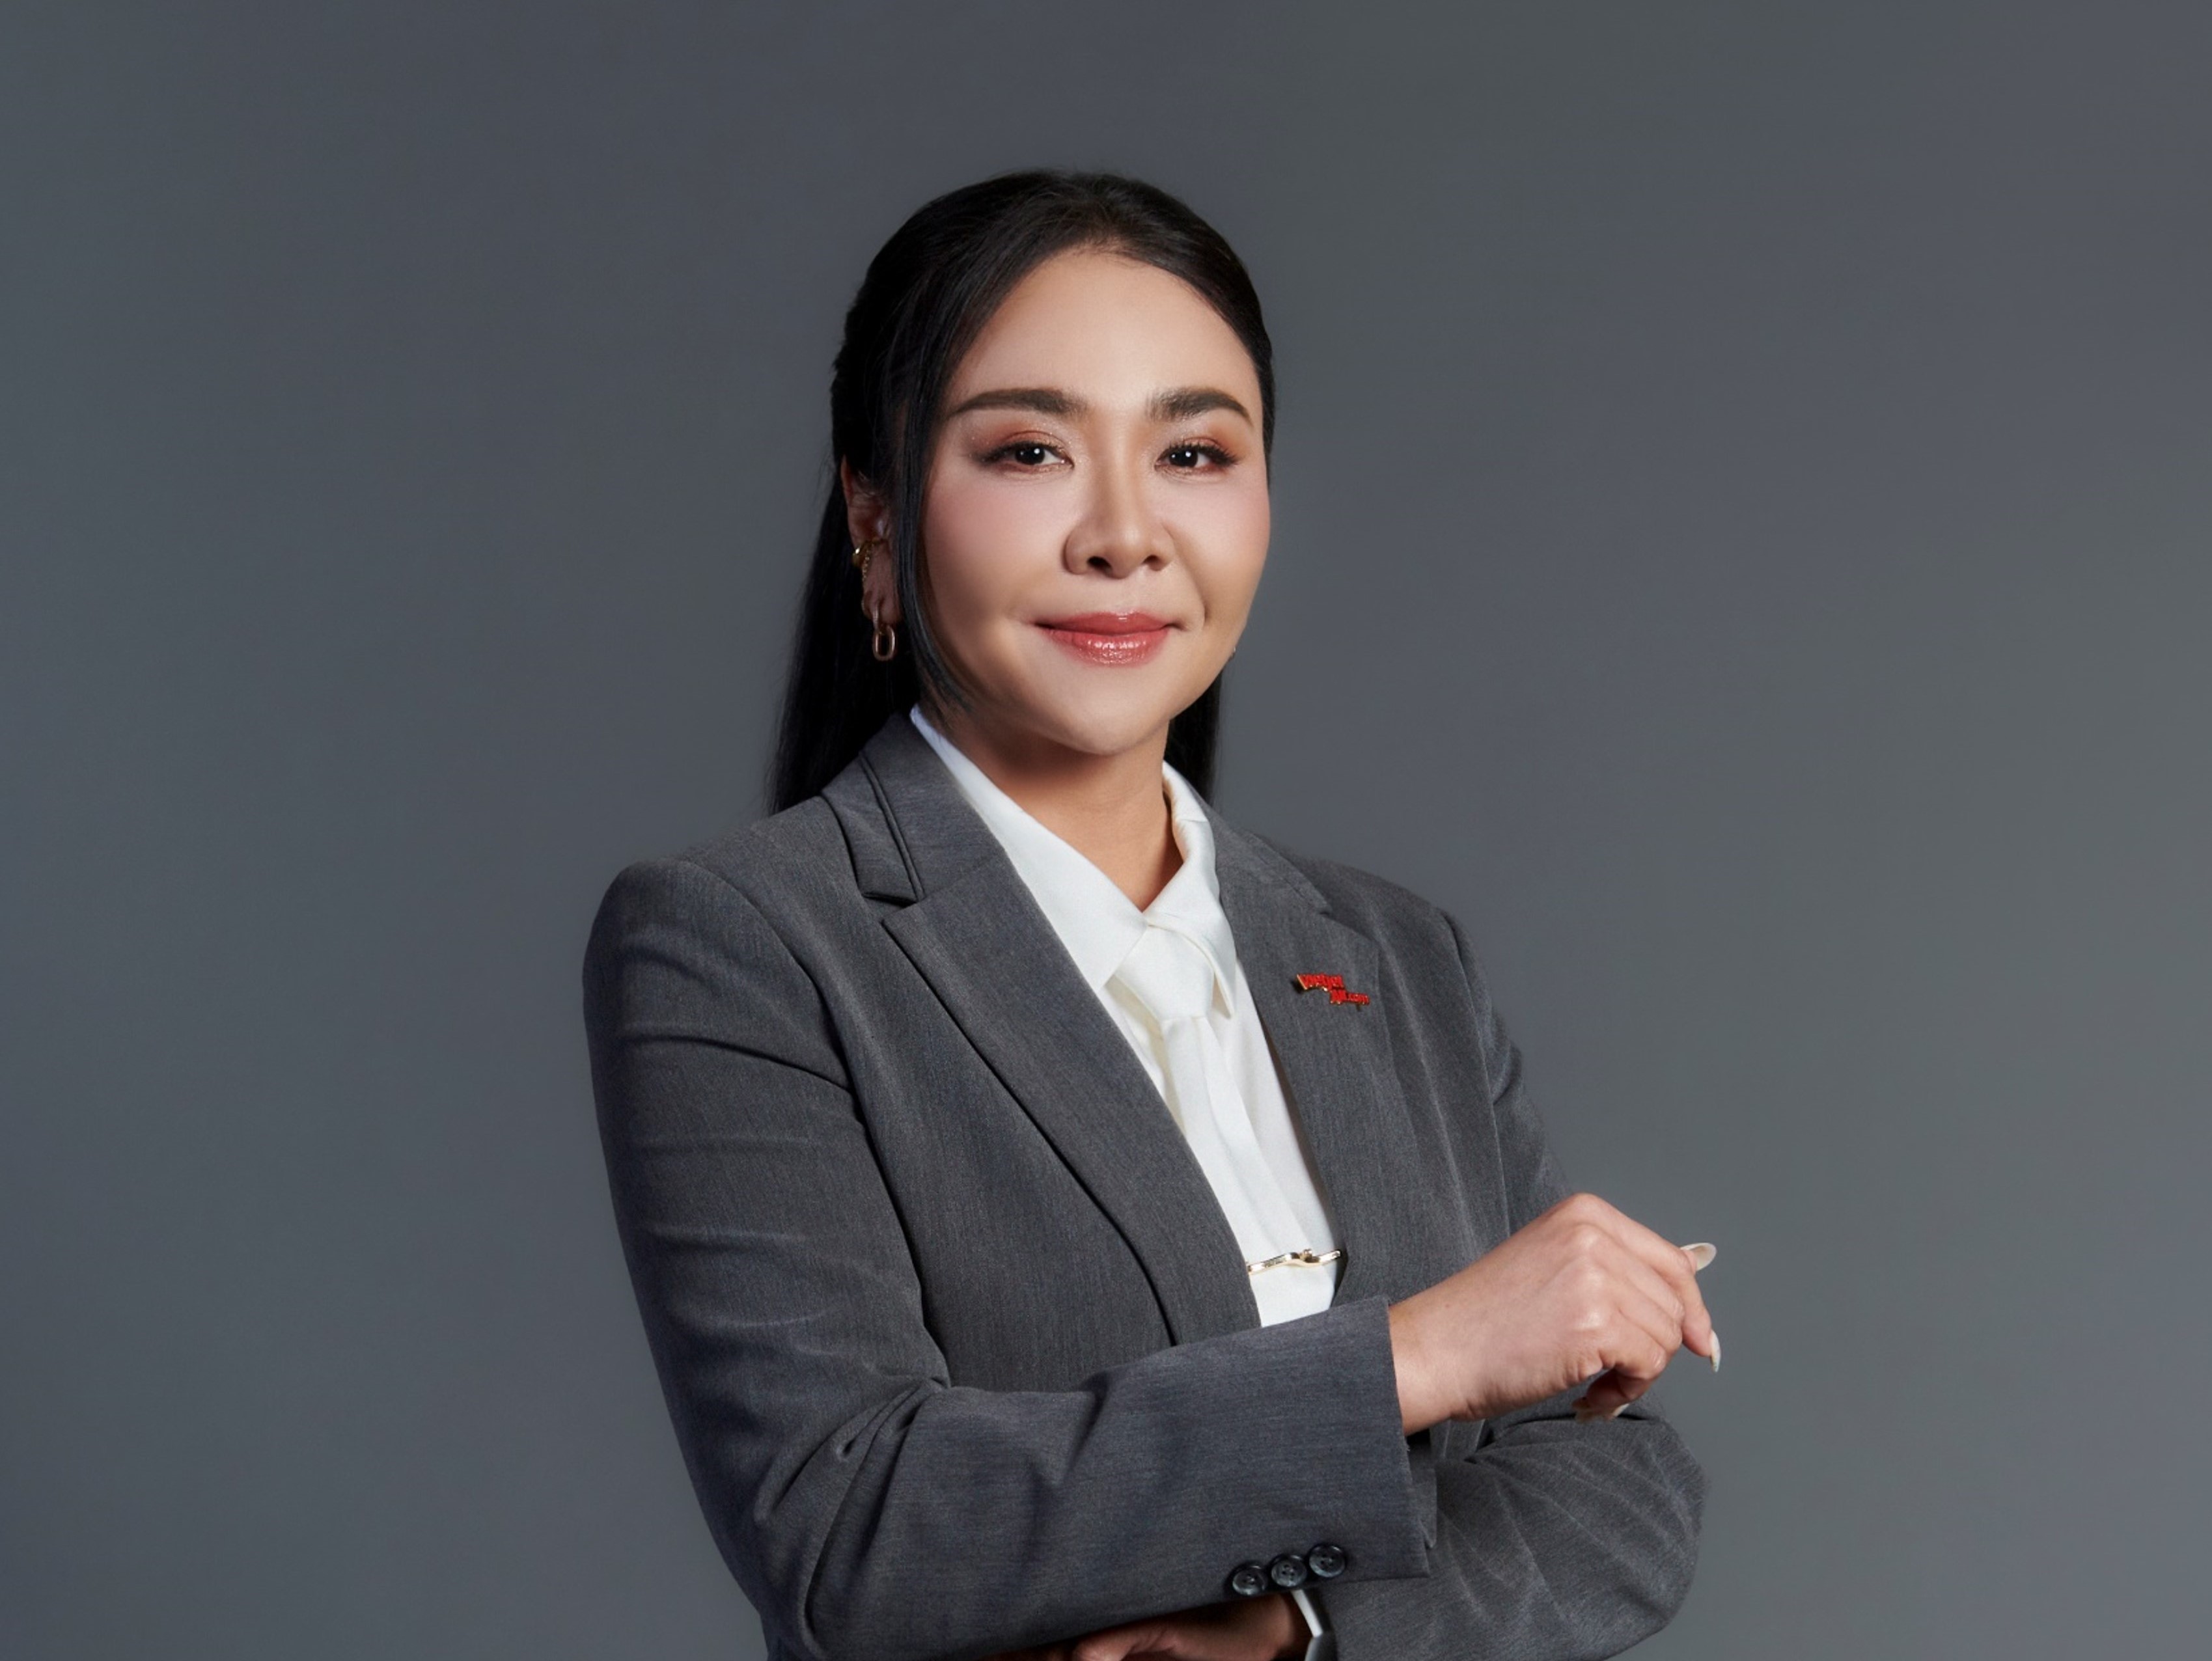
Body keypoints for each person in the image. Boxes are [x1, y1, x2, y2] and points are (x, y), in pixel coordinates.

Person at [583, 171, 1713, 1661]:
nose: (1124, 534)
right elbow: (854, 1531)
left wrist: (1292, 1628)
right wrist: (1415, 1357)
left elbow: (1618, 1492)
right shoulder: (743, 941)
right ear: (876, 513)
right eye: (1029, 450)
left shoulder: (1393, 952)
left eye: (1192, 451)